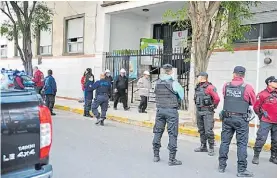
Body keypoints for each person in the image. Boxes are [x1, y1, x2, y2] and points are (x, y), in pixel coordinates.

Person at [218, 66, 256, 177]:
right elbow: (252, 101)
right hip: (241, 119)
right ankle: (241, 170)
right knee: (242, 144)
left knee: (225, 142)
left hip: (227, 118)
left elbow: (225, 96)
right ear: (243, 75)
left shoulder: (226, 85)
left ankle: (221, 166)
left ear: (233, 74)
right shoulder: (248, 87)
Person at [152, 64, 184, 166]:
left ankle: (156, 155)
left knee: (157, 132)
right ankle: (172, 159)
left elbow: (155, 93)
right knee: (172, 134)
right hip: (171, 111)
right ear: (170, 72)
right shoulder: (174, 83)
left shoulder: (157, 83)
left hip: (160, 110)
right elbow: (181, 96)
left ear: (163, 71)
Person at [194, 72, 220, 156]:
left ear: (202, 77)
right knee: (201, 129)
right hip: (199, 111)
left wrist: (213, 107)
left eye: (198, 77)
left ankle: (211, 147)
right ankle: (203, 146)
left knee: (208, 130)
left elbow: (217, 98)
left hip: (207, 111)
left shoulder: (210, 87)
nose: (197, 78)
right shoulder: (198, 87)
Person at [252, 76, 277, 165]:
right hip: (266, 121)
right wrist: (261, 116)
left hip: (276, 122)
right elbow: (256, 107)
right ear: (269, 83)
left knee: (276, 140)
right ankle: (256, 156)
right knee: (261, 139)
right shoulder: (262, 94)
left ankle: (273, 157)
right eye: (275, 81)